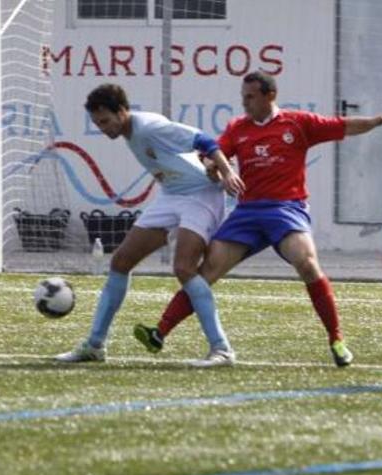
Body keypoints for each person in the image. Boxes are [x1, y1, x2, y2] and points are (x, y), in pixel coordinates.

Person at [132, 70, 382, 367]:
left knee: (307, 263)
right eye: (243, 97)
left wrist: (376, 121)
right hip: (247, 213)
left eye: (250, 97)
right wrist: (213, 167)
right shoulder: (238, 128)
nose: (245, 103)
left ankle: (336, 339)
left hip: (286, 210)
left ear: (269, 95)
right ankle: (160, 332)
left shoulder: (298, 123)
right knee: (206, 271)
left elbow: (343, 125)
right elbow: (214, 154)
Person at [55, 83, 245, 367]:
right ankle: (95, 345)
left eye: (105, 121)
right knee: (120, 261)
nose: (103, 128)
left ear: (122, 112)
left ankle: (222, 349)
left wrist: (228, 173)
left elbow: (205, 141)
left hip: (201, 195)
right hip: (171, 195)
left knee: (183, 268)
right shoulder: (130, 133)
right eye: (97, 123)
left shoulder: (150, 127)